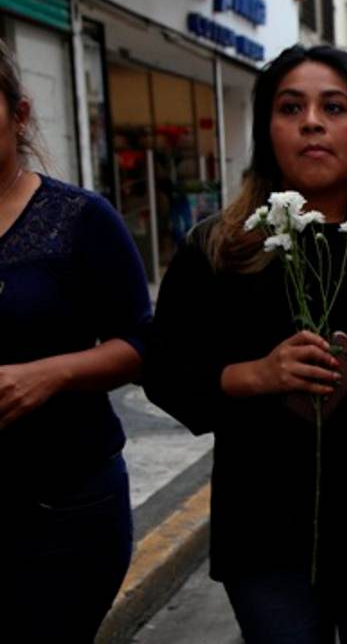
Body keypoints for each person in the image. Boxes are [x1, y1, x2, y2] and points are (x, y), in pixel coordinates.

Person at [144, 45, 347, 644]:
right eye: (290, 107)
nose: (311, 122)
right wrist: (256, 375)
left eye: (334, 107)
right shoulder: (220, 249)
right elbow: (166, 373)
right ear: (265, 130)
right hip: (266, 529)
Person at [0, 39, 151, 640]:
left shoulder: (78, 218)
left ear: (20, 113)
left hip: (65, 508)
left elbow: (143, 341)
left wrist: (49, 373)